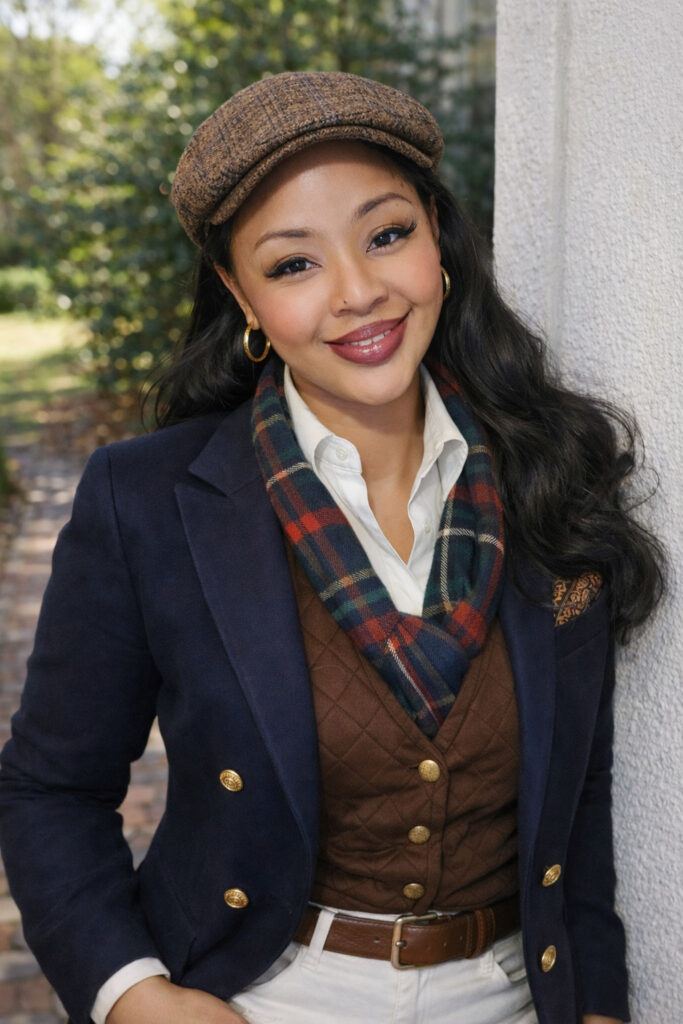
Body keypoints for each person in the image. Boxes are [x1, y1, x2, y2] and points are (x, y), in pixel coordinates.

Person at [0, 71, 664, 1024]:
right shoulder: (145, 500)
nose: (359, 294)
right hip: (264, 997)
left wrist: (596, 1002)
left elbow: (581, 788)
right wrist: (139, 997)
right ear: (240, 294)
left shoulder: (553, 469)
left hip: (519, 996)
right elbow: (50, 790)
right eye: (293, 265)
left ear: (439, 239)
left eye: (386, 235)